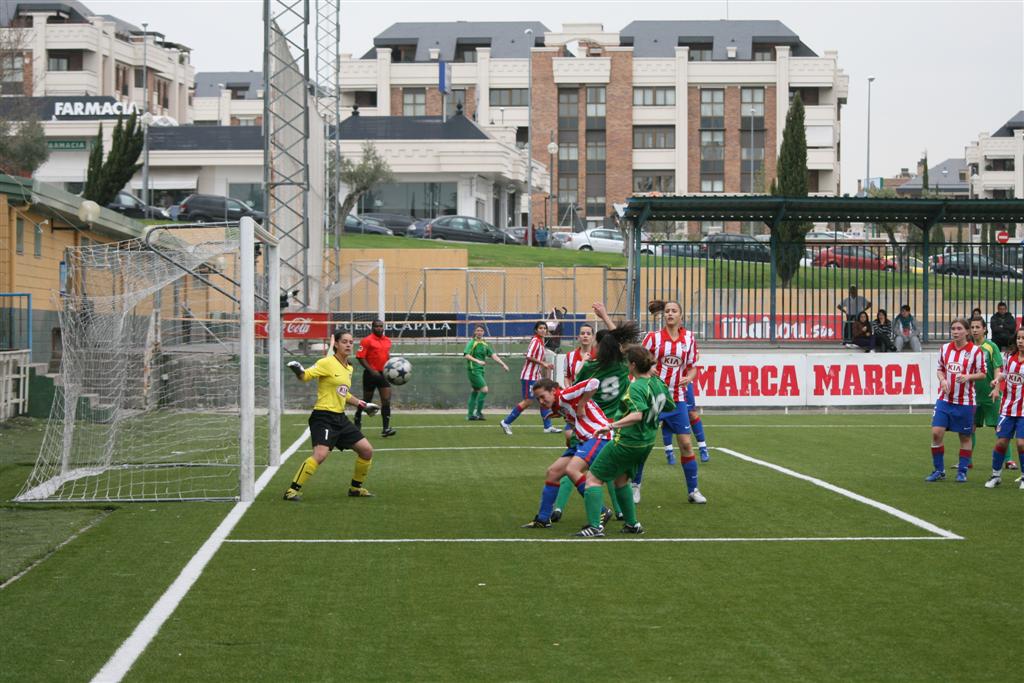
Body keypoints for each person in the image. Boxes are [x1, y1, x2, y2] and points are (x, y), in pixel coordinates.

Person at [574, 345, 675, 537]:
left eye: (627, 362)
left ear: (633, 365)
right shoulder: (657, 382)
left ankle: (594, 527)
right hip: (647, 442)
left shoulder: (636, 386)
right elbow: (669, 406)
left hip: (628, 441)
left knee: (593, 478)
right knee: (621, 479)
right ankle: (632, 524)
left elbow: (637, 415)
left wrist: (611, 426)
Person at [551, 303, 628, 523]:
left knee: (574, 465)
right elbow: (622, 341)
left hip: (591, 425)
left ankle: (559, 508)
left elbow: (576, 392)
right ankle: (622, 512)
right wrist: (605, 316)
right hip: (615, 425)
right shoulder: (622, 364)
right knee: (612, 470)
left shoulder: (589, 367)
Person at [283, 329, 379, 500]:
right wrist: (298, 370)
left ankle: (355, 489)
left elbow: (344, 393)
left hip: (340, 418)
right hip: (323, 417)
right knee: (320, 455)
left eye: (351, 342)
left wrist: (363, 405)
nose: (348, 345)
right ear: (336, 344)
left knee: (366, 451)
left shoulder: (349, 368)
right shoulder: (326, 362)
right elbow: (305, 377)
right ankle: (292, 491)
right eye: (344, 342)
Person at [520, 378, 616, 528]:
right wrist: (557, 414)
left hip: (599, 436)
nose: (541, 401)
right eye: (538, 399)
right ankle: (543, 519)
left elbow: (594, 382)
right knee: (553, 472)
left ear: (553, 391)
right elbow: (570, 414)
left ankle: (602, 511)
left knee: (572, 469)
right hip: (584, 440)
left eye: (542, 396)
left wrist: (582, 404)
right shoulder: (557, 404)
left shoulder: (565, 395)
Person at [639, 300, 708, 504]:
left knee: (686, 444)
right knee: (643, 445)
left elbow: (693, 367)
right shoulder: (653, 338)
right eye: (667, 311)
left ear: (681, 316)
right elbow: (639, 360)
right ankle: (635, 485)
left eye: (674, 311)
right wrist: (649, 368)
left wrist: (689, 377)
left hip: (678, 399)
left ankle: (693, 490)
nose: (669, 313)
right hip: (654, 398)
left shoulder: (689, 338)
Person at [926, 318, 987, 483]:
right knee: (936, 433)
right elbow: (940, 369)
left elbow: (983, 373)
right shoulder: (945, 348)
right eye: (953, 328)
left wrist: (968, 376)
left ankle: (962, 471)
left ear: (967, 332)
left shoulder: (976, 351)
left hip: (965, 402)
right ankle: (939, 471)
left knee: (965, 437)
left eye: (959, 328)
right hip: (944, 400)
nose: (955, 331)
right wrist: (942, 380)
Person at [500, 322, 560, 435]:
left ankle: (548, 427)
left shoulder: (540, 342)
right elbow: (529, 356)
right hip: (529, 376)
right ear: (536, 330)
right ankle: (506, 422)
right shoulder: (536, 341)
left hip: (536, 376)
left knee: (544, 399)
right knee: (528, 401)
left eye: (544, 328)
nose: (543, 330)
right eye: (540, 328)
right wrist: (543, 363)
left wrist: (545, 365)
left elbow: (532, 355)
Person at [986, 328, 1024, 487]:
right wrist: (997, 380)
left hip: (1023, 411)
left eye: (1023, 338)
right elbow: (1004, 373)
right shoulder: (1009, 357)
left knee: (1021, 444)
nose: (1020, 341)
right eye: (1019, 338)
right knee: (1001, 442)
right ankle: (995, 476)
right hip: (1007, 408)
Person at [354, 319, 396, 437]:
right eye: (377, 326)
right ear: (372, 328)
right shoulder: (366, 340)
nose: (379, 328)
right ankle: (357, 417)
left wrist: (391, 367)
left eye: (381, 326)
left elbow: (386, 355)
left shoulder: (387, 340)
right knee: (367, 401)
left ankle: (386, 428)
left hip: (383, 374)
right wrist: (372, 371)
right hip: (370, 375)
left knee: (386, 400)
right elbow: (360, 357)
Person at [970, 317, 1004, 457]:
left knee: (1000, 429)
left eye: (978, 327)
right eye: (972, 327)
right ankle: (966, 461)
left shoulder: (991, 346)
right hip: (972, 396)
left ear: (984, 329)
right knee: (969, 429)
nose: (975, 330)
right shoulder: (968, 348)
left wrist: (996, 388)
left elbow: (997, 368)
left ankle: (1008, 460)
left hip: (991, 394)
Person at [463, 324, 509, 421]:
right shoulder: (472, 342)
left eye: (481, 331)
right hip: (473, 370)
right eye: (477, 330)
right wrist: (478, 361)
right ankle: (478, 413)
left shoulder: (484, 344)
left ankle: (470, 415)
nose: (479, 332)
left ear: (484, 332)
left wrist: (503, 364)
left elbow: (493, 355)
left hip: (480, 370)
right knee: (484, 390)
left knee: (475, 391)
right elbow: (466, 355)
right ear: (475, 332)